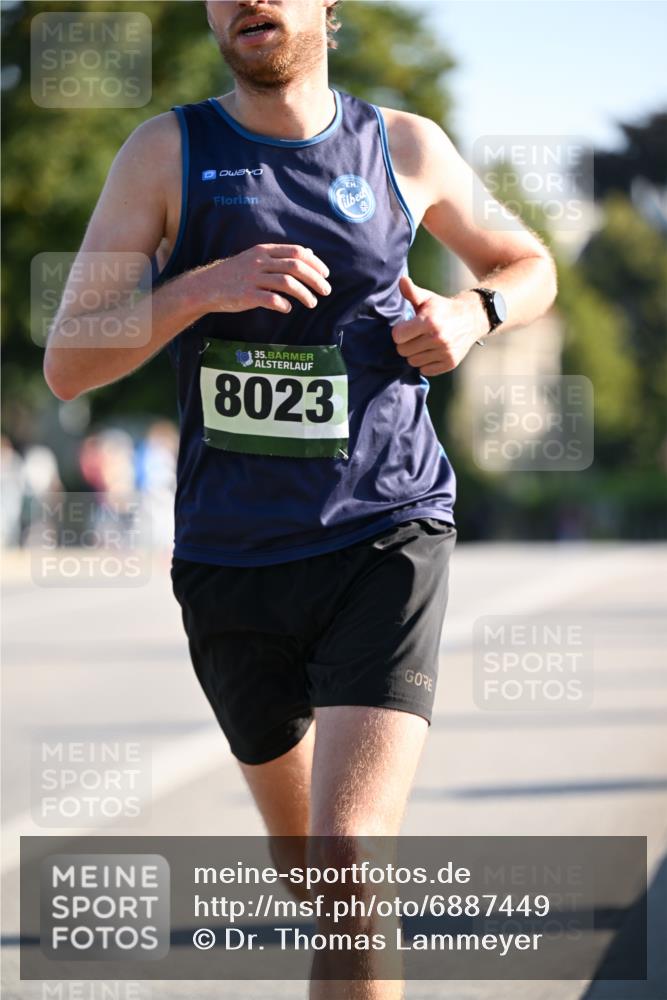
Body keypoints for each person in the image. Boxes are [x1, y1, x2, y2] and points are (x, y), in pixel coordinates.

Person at [43, 1, 557, 995]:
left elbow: (525, 263)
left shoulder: (403, 145)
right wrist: (201, 287)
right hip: (231, 559)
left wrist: (472, 313)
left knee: (350, 861)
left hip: (384, 530)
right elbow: (69, 361)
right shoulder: (164, 153)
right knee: (316, 884)